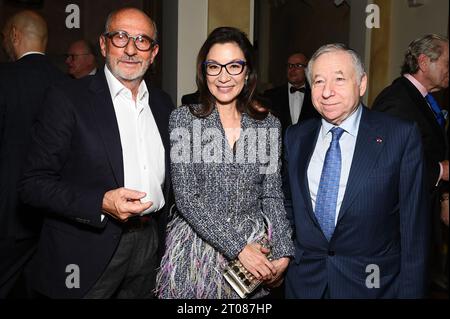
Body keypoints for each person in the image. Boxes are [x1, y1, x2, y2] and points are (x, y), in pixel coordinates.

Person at [19, 7, 174, 299]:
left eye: (142, 40)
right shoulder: (67, 98)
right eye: (120, 37)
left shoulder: (164, 105)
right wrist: (100, 203)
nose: (130, 49)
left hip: (149, 244)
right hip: (87, 248)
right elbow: (33, 184)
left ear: (153, 53)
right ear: (103, 45)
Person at [155, 27, 294, 299]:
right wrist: (239, 248)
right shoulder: (185, 119)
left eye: (233, 66)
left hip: (253, 260)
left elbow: (272, 194)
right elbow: (186, 198)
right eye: (214, 66)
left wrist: (283, 249)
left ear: (247, 71)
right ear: (203, 71)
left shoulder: (268, 124)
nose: (223, 76)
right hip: (197, 254)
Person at [283, 43, 429, 298]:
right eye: (318, 81)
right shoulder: (296, 137)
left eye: (339, 79)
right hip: (306, 285)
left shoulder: (400, 136)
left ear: (361, 84)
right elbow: (288, 208)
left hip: (372, 288)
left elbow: (413, 231)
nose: (327, 91)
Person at [372, 34, 448, 292]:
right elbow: (386, 163)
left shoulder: (424, 98)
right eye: (447, 63)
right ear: (425, 63)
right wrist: (440, 170)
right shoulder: (396, 100)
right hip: (402, 226)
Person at [0, 10, 66, 298]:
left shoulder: (4, 79)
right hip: (55, 219)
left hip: (7, 215)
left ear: (14, 35)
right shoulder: (69, 84)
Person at [264, 52, 319, 137]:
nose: (292, 69)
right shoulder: (270, 96)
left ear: (307, 69)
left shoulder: (317, 94)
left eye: (298, 65)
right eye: (290, 65)